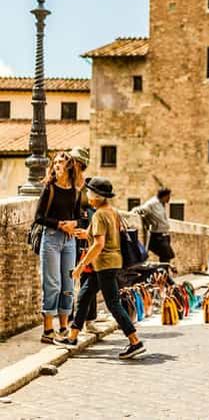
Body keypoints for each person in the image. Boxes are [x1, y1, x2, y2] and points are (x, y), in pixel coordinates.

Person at [55, 177, 146, 359]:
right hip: (110, 262)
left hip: (104, 264)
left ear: (96, 196)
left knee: (113, 303)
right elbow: (102, 234)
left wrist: (81, 266)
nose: (86, 194)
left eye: (89, 192)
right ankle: (72, 337)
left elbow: (98, 244)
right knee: (85, 295)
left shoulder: (98, 215)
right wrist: (84, 233)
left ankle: (135, 341)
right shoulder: (111, 212)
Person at [34, 151, 82, 344]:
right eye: (55, 162)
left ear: (69, 167)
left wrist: (74, 224)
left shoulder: (75, 191)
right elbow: (38, 217)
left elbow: (80, 217)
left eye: (61, 162)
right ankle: (47, 330)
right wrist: (60, 225)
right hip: (52, 239)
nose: (57, 165)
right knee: (52, 284)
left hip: (69, 241)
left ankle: (63, 327)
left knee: (68, 285)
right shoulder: (49, 188)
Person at [68, 146, 103, 333]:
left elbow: (96, 210)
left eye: (73, 161)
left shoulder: (89, 185)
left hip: (86, 234)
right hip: (70, 234)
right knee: (69, 276)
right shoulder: (65, 182)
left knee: (89, 276)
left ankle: (89, 320)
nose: (70, 164)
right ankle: (71, 318)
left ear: (80, 164)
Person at [132, 188, 174, 263]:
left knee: (166, 257)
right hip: (157, 235)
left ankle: (164, 272)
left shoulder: (161, 204)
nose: (169, 199)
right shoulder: (152, 203)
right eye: (168, 196)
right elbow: (140, 209)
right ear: (164, 196)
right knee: (167, 254)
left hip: (164, 235)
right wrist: (132, 213)